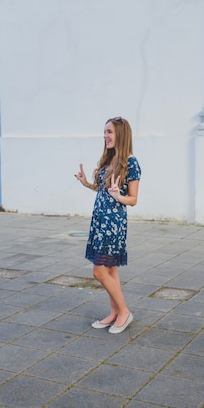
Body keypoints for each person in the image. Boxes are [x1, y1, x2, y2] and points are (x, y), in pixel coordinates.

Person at [75, 116, 141, 334]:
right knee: (110, 269)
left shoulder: (130, 162)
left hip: (113, 224)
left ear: (120, 134)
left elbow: (132, 199)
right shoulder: (111, 160)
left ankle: (124, 312)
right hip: (100, 221)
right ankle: (114, 313)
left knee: (99, 271)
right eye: (104, 132)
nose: (105, 136)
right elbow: (104, 190)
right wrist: (86, 184)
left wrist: (118, 196)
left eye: (109, 132)